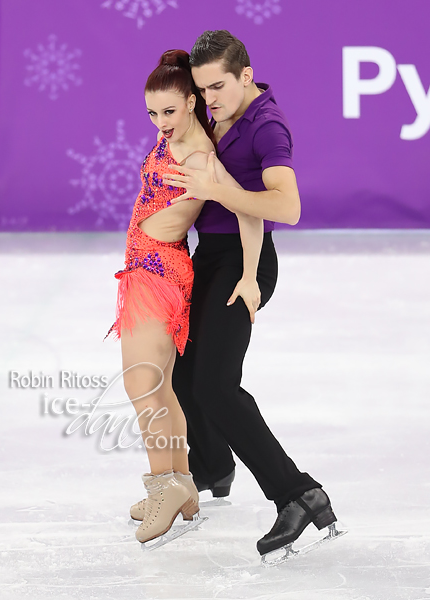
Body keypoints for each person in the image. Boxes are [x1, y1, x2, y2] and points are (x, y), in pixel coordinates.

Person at [163, 30, 339, 557]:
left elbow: (288, 208)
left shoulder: (267, 126)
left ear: (246, 75)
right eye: (202, 89)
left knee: (216, 385)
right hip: (211, 258)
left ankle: (298, 492)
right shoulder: (224, 112)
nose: (209, 99)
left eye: (218, 86)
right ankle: (213, 468)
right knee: (188, 373)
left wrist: (220, 192)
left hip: (245, 264)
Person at [107, 49, 264, 546]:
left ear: (193, 103)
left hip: (159, 272)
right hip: (145, 269)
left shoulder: (200, 157)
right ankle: (180, 484)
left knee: (143, 385)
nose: (160, 122)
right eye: (152, 113)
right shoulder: (172, 137)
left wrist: (252, 275)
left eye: (170, 111)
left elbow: (247, 210)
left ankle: (165, 487)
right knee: (158, 388)